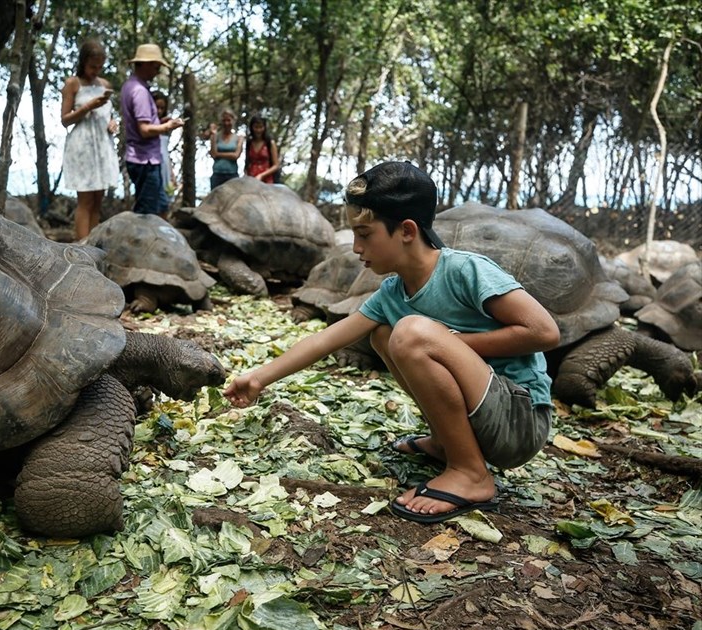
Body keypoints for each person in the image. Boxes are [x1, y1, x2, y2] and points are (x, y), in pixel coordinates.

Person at [224, 161, 561, 524]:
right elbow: (325, 340)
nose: (355, 247)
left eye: (365, 234)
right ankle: (447, 442)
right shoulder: (392, 293)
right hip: (484, 416)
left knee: (410, 333)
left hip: (519, 422)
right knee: (383, 334)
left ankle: (471, 474)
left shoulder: (465, 270)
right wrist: (258, 378)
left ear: (406, 230)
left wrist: (454, 343)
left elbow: (544, 332)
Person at [60, 40, 120, 240]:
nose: (96, 71)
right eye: (92, 66)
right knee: (85, 200)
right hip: (83, 145)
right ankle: (81, 246)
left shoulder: (105, 85)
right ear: (83, 62)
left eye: (100, 67)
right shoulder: (73, 84)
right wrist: (88, 107)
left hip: (102, 145)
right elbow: (65, 120)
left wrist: (113, 123)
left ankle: (92, 244)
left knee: (97, 200)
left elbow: (108, 114)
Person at [121, 43, 184, 216]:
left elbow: (140, 123)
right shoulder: (139, 91)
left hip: (144, 157)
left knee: (160, 206)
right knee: (146, 214)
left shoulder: (129, 86)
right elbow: (144, 130)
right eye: (156, 67)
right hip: (144, 159)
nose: (157, 72)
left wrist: (159, 122)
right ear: (145, 64)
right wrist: (168, 126)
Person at [209, 109, 243, 189]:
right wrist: (230, 154)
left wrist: (219, 154)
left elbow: (236, 155)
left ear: (233, 121)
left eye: (228, 120)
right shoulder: (215, 136)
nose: (226, 123)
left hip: (232, 174)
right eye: (224, 120)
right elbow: (213, 154)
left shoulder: (238, 138)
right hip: (217, 174)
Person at [151, 90, 177, 196]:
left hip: (164, 167)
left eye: (162, 108)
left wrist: (171, 173)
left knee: (166, 197)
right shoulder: (145, 127)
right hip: (153, 168)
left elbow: (165, 152)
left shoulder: (165, 126)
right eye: (156, 107)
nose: (159, 111)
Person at [244, 114, 280, 184]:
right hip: (252, 178)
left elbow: (276, 165)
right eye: (256, 127)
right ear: (252, 127)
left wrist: (261, 175)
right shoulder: (249, 142)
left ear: (264, 127)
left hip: (267, 179)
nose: (258, 130)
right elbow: (247, 161)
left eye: (261, 127)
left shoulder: (270, 143)